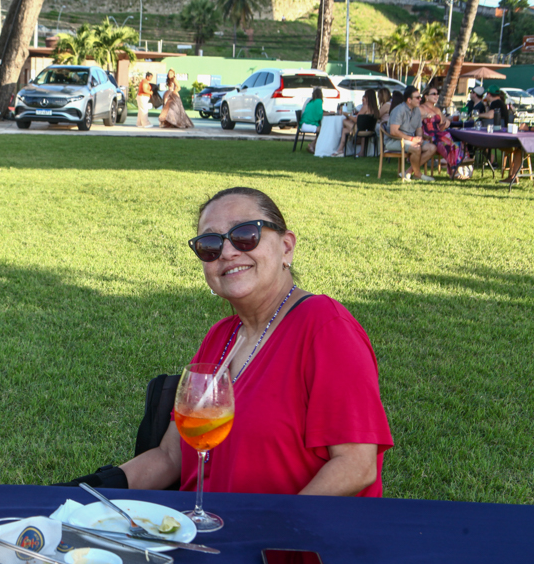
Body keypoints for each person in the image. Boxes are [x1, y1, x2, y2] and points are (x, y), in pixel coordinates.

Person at [112, 187, 393, 496]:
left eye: (246, 234)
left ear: (286, 247)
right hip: (200, 535)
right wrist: (90, 490)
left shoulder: (325, 326)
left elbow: (356, 465)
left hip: (286, 540)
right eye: (210, 245)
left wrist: (269, 532)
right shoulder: (221, 337)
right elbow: (170, 456)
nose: (228, 252)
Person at [386, 85, 437, 182]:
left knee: (432, 148)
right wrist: (412, 139)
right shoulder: (399, 110)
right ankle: (417, 174)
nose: (420, 99)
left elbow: (418, 128)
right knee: (416, 148)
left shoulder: (417, 110)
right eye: (417, 97)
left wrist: (420, 137)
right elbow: (393, 131)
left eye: (420, 97)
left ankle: (408, 172)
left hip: (410, 140)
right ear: (409, 100)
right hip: (394, 140)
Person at [419, 85, 468, 179]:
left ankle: (457, 170)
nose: (436, 96)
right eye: (433, 94)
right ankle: (454, 171)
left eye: (437, 94)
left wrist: (445, 124)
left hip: (438, 134)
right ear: (426, 96)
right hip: (428, 136)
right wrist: (424, 117)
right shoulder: (420, 108)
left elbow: (440, 127)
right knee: (449, 142)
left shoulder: (437, 110)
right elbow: (416, 123)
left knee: (458, 141)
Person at [333, 88, 381, 157]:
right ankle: (343, 149)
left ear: (367, 97)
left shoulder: (365, 107)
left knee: (344, 121)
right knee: (345, 130)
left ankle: (341, 149)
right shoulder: (375, 109)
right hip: (370, 130)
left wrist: (347, 114)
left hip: (360, 130)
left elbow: (356, 120)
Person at [300, 87, 325, 153]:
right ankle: (313, 145)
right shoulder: (319, 101)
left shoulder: (311, 101)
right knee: (324, 129)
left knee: (323, 129)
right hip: (308, 124)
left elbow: (316, 113)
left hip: (304, 124)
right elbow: (319, 115)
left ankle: (313, 144)